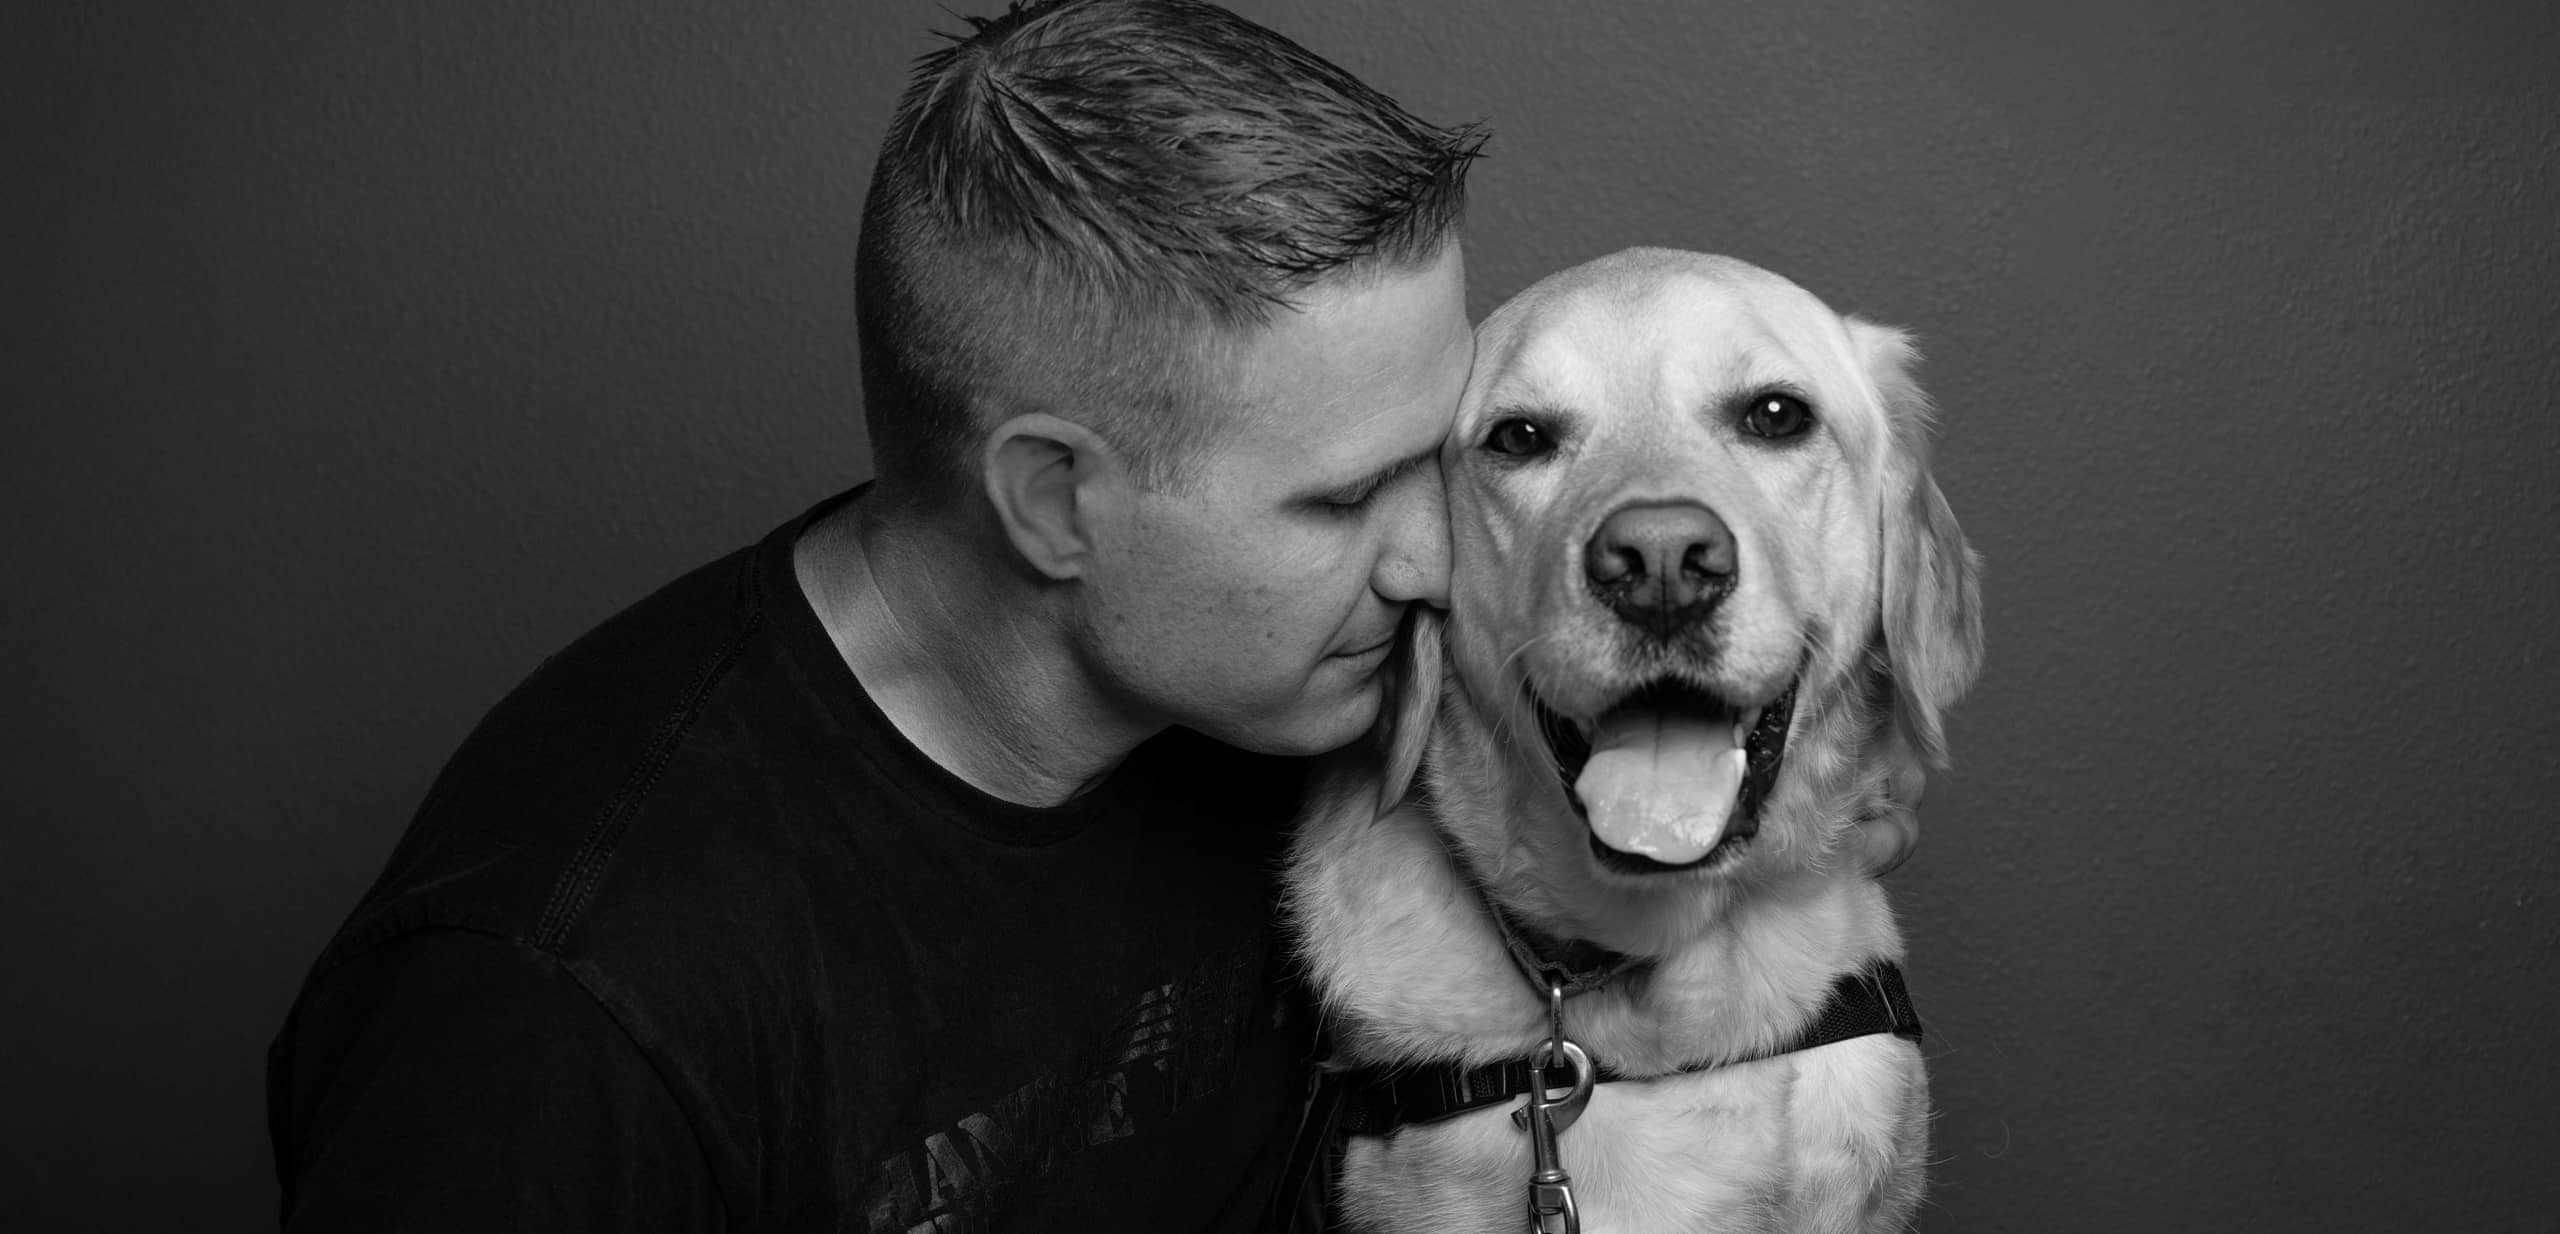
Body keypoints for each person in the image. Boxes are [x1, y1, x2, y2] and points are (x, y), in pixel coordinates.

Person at [266, 1, 1919, 1229]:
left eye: (1440, 462)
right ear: (1057, 501)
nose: (1437, 568)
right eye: (1348, 499)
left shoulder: (1296, 702)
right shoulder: (562, 1010)